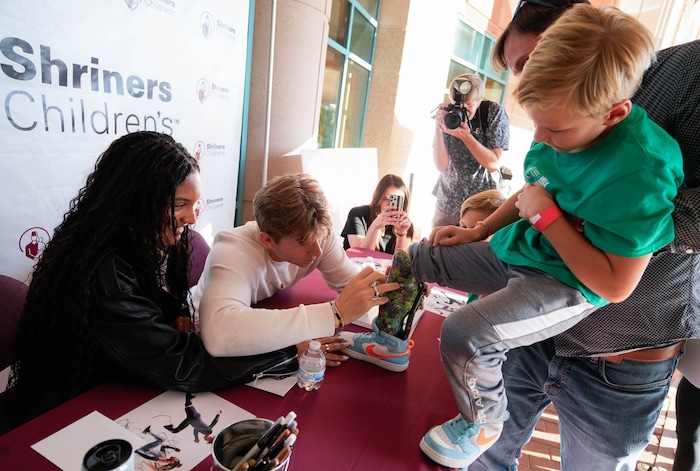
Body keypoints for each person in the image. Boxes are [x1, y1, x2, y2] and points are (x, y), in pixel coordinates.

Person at [409, 6, 684, 469]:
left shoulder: (644, 170)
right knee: (419, 255)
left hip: (570, 285)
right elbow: (532, 185)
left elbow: (614, 286)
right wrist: (480, 229)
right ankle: (391, 340)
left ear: (615, 113)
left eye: (554, 129)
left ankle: (484, 422)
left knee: (464, 332)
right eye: (535, 123)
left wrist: (549, 219)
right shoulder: (566, 119)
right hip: (525, 253)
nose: (539, 136)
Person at [3, 132, 298, 431]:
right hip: (65, 418)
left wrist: (166, 318)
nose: (191, 219)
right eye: (179, 205)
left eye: (193, 205)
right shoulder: (101, 273)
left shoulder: (123, 243)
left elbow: (142, 307)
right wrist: (287, 348)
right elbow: (182, 363)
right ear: (136, 201)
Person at [194, 173, 400, 364]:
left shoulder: (316, 236)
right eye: (304, 243)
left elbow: (351, 283)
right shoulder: (232, 249)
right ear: (267, 240)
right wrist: (333, 314)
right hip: (196, 339)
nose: (318, 251)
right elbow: (219, 334)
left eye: (320, 238)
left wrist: (396, 289)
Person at [431, 73, 510, 227]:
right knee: (436, 249)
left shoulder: (492, 113)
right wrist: (439, 128)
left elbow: (493, 164)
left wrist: (466, 137)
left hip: (480, 209)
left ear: (479, 101)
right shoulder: (450, 114)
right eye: (458, 104)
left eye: (469, 105)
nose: (462, 110)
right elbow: (441, 166)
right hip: (448, 202)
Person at [341, 174, 414, 253]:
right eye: (385, 199)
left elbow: (399, 262)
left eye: (397, 201)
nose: (390, 204)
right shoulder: (359, 214)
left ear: (404, 203)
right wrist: (375, 226)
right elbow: (361, 256)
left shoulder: (406, 225)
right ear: (378, 197)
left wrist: (401, 234)